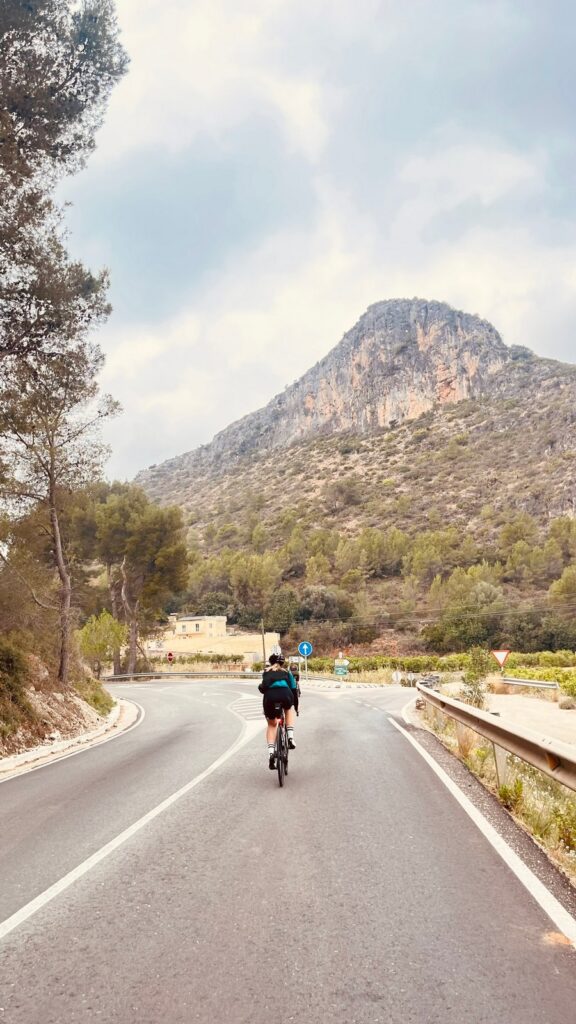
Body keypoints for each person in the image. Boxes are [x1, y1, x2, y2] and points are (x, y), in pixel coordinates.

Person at [258, 653, 299, 769]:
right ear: (282, 663)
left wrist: (260, 687)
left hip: (270, 698)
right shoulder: (287, 672)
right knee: (288, 709)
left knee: (272, 725)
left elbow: (263, 688)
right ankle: (290, 737)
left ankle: (271, 753)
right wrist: (296, 707)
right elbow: (294, 689)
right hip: (285, 694)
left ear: (270, 662)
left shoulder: (266, 672)